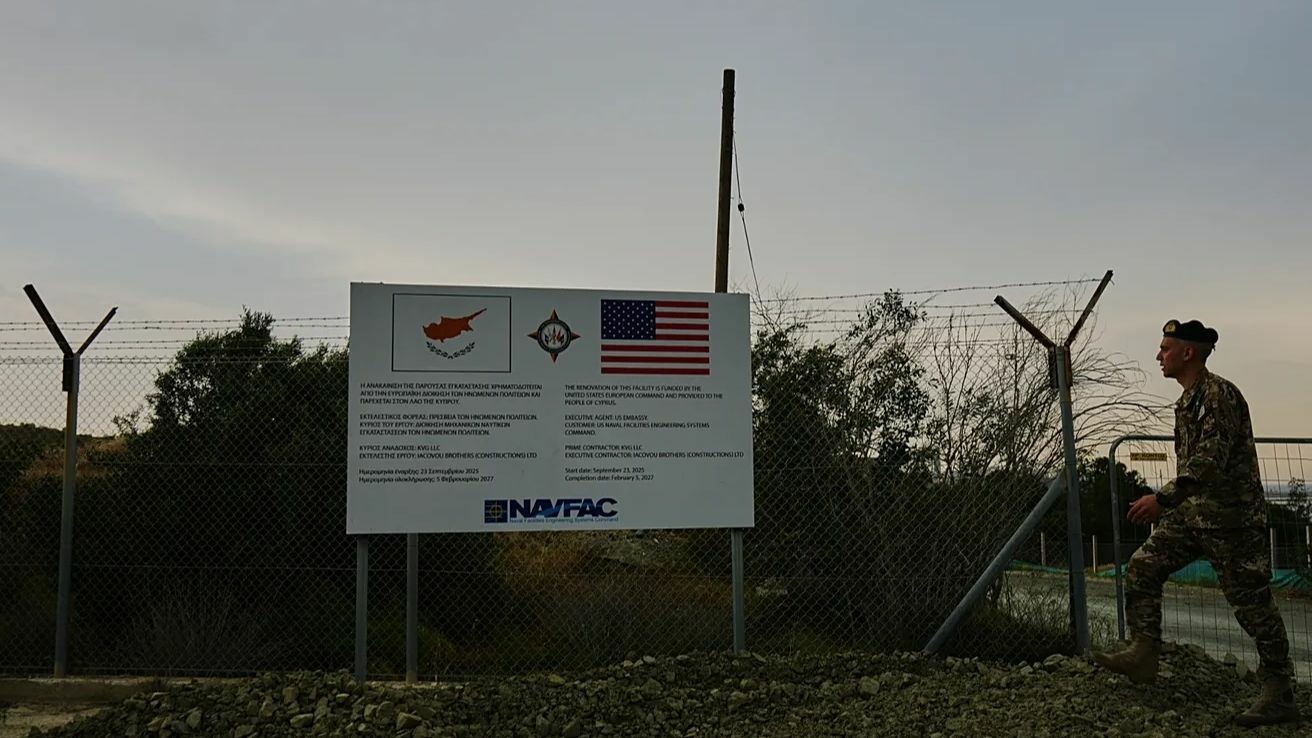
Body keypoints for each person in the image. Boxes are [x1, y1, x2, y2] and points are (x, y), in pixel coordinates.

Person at [1092, 319, 1299, 728]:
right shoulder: (1188, 401)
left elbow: (1209, 461)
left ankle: (1280, 693)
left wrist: (1162, 500)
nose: (1158, 355)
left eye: (1165, 348)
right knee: (1143, 566)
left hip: (1231, 521)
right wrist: (1175, 506)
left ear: (1188, 353)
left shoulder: (1219, 395)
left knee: (1253, 607)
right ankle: (1144, 653)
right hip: (1194, 517)